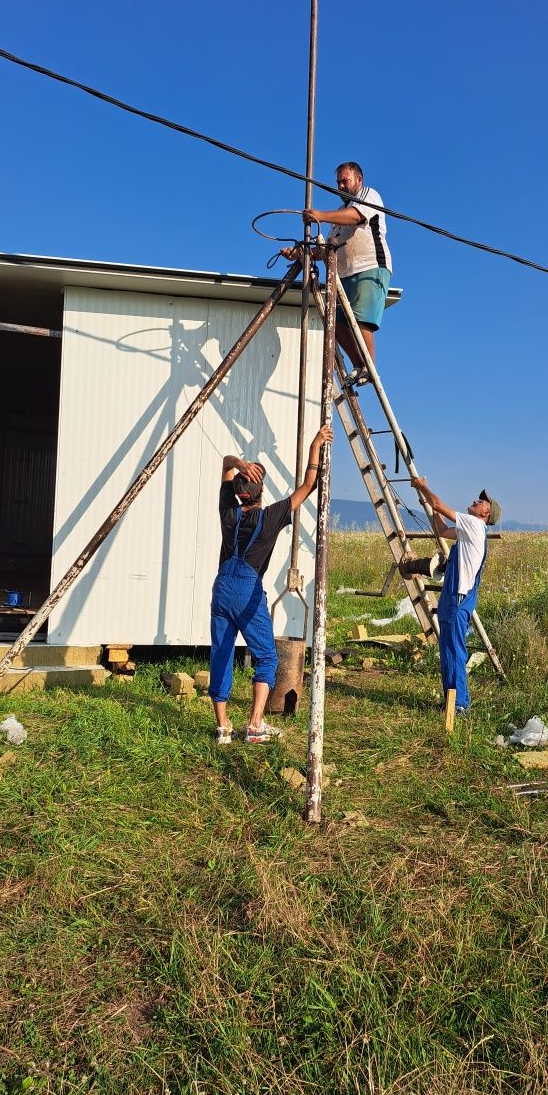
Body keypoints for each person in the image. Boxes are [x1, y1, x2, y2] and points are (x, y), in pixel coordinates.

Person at [210, 425, 333, 744]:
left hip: (221, 587)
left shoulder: (229, 512)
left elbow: (225, 463)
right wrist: (315, 445)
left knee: (221, 654)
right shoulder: (273, 515)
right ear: (260, 489)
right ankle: (254, 725)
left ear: (239, 492)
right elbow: (309, 484)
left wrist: (238, 463)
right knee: (266, 657)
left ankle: (223, 728)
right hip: (247, 591)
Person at [283, 161, 392, 387]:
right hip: (342, 275)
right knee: (337, 323)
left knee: (361, 321)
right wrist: (299, 253)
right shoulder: (339, 216)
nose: (341, 186)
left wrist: (321, 215)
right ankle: (358, 365)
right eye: (338, 182)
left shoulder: (369, 195)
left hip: (369, 266)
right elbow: (326, 250)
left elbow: (357, 216)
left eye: (346, 181)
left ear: (358, 180)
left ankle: (369, 367)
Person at [404, 480, 501, 715]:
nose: (475, 501)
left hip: (459, 597)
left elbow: (438, 505)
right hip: (453, 595)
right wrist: (427, 503)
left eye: (481, 501)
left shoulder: (475, 525)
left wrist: (421, 487)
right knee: (447, 648)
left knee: (455, 649)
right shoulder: (468, 530)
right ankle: (451, 700)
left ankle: (460, 704)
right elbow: (441, 530)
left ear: (485, 513)